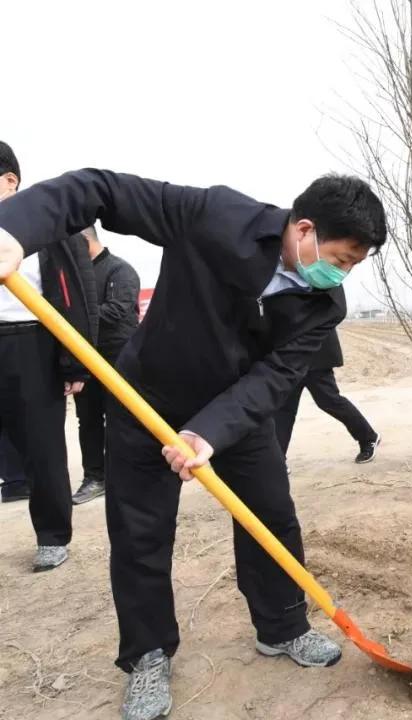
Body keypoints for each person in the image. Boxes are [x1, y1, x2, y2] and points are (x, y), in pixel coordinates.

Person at [0, 167, 387, 720]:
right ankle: (148, 656)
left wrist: (208, 432)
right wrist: (12, 229)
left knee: (271, 515)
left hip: (236, 412)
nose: (340, 276)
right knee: (140, 534)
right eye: (342, 260)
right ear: (304, 230)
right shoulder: (215, 217)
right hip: (147, 399)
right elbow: (100, 190)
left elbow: (277, 375)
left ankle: (281, 625)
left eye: (352, 266)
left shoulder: (324, 305)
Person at [0, 142, 98, 570]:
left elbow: (79, 299)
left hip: (32, 343)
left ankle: (53, 534)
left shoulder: (49, 228)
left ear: (9, 181)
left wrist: (76, 361)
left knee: (41, 445)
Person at [72, 225, 141, 504]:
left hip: (119, 357)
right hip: (85, 356)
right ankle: (94, 477)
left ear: (85, 242)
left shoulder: (119, 270)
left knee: (121, 417)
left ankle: (125, 475)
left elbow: (117, 310)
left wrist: (74, 317)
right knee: (87, 419)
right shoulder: (77, 276)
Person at [274, 324, 381, 463]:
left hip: (315, 354)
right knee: (284, 410)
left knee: (330, 400)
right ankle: (277, 460)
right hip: (290, 358)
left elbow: (333, 310)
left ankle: (368, 438)